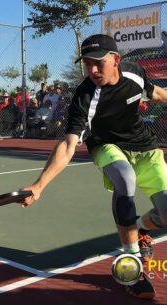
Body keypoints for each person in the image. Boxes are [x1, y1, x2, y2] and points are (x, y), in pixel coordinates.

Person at [21, 34, 167, 300]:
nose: (93, 70)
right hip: (107, 147)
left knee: (166, 214)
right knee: (125, 179)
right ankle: (131, 265)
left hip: (146, 148)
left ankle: (141, 229)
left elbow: (156, 93)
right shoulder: (85, 96)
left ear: (116, 60)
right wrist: (39, 185)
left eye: (98, 63)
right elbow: (67, 146)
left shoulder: (134, 74)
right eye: (88, 64)